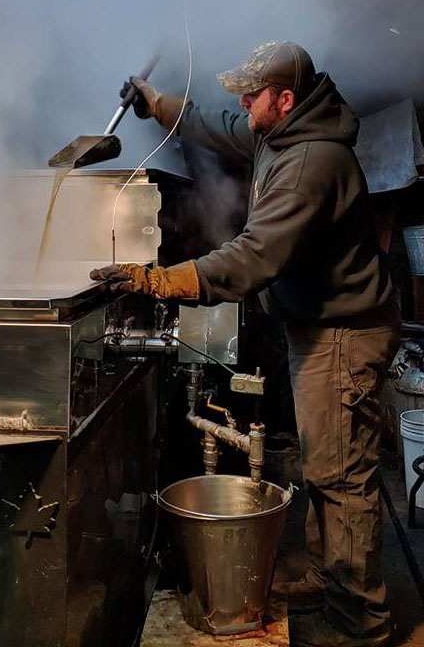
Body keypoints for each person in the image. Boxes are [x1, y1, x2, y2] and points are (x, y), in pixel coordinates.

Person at [90, 41, 400, 647]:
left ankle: (361, 621)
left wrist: (161, 280)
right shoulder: (279, 130)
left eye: (252, 94)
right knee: (327, 468)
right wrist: (158, 104)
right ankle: (334, 582)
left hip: (344, 333)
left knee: (340, 476)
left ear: (284, 99)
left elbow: (255, 257)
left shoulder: (312, 161)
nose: (242, 101)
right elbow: (216, 123)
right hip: (320, 324)